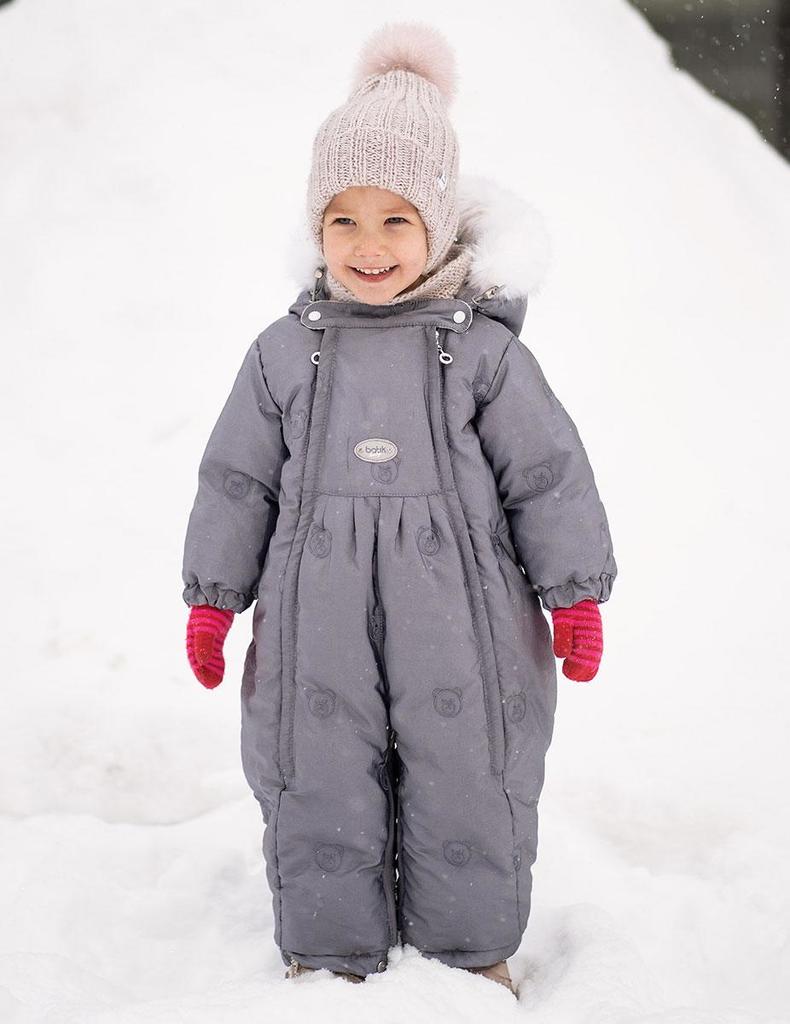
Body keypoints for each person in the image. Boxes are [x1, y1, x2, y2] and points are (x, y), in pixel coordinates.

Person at [181, 21, 616, 998]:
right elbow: (237, 480)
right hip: (314, 612)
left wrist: (575, 594)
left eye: (395, 219)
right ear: (315, 228)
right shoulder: (283, 354)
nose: (368, 245)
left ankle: (470, 956)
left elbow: (547, 474)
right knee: (314, 766)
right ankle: (327, 954)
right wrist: (213, 598)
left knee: (470, 767)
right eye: (343, 220)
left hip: (462, 615)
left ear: (439, 224)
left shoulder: (484, 354)